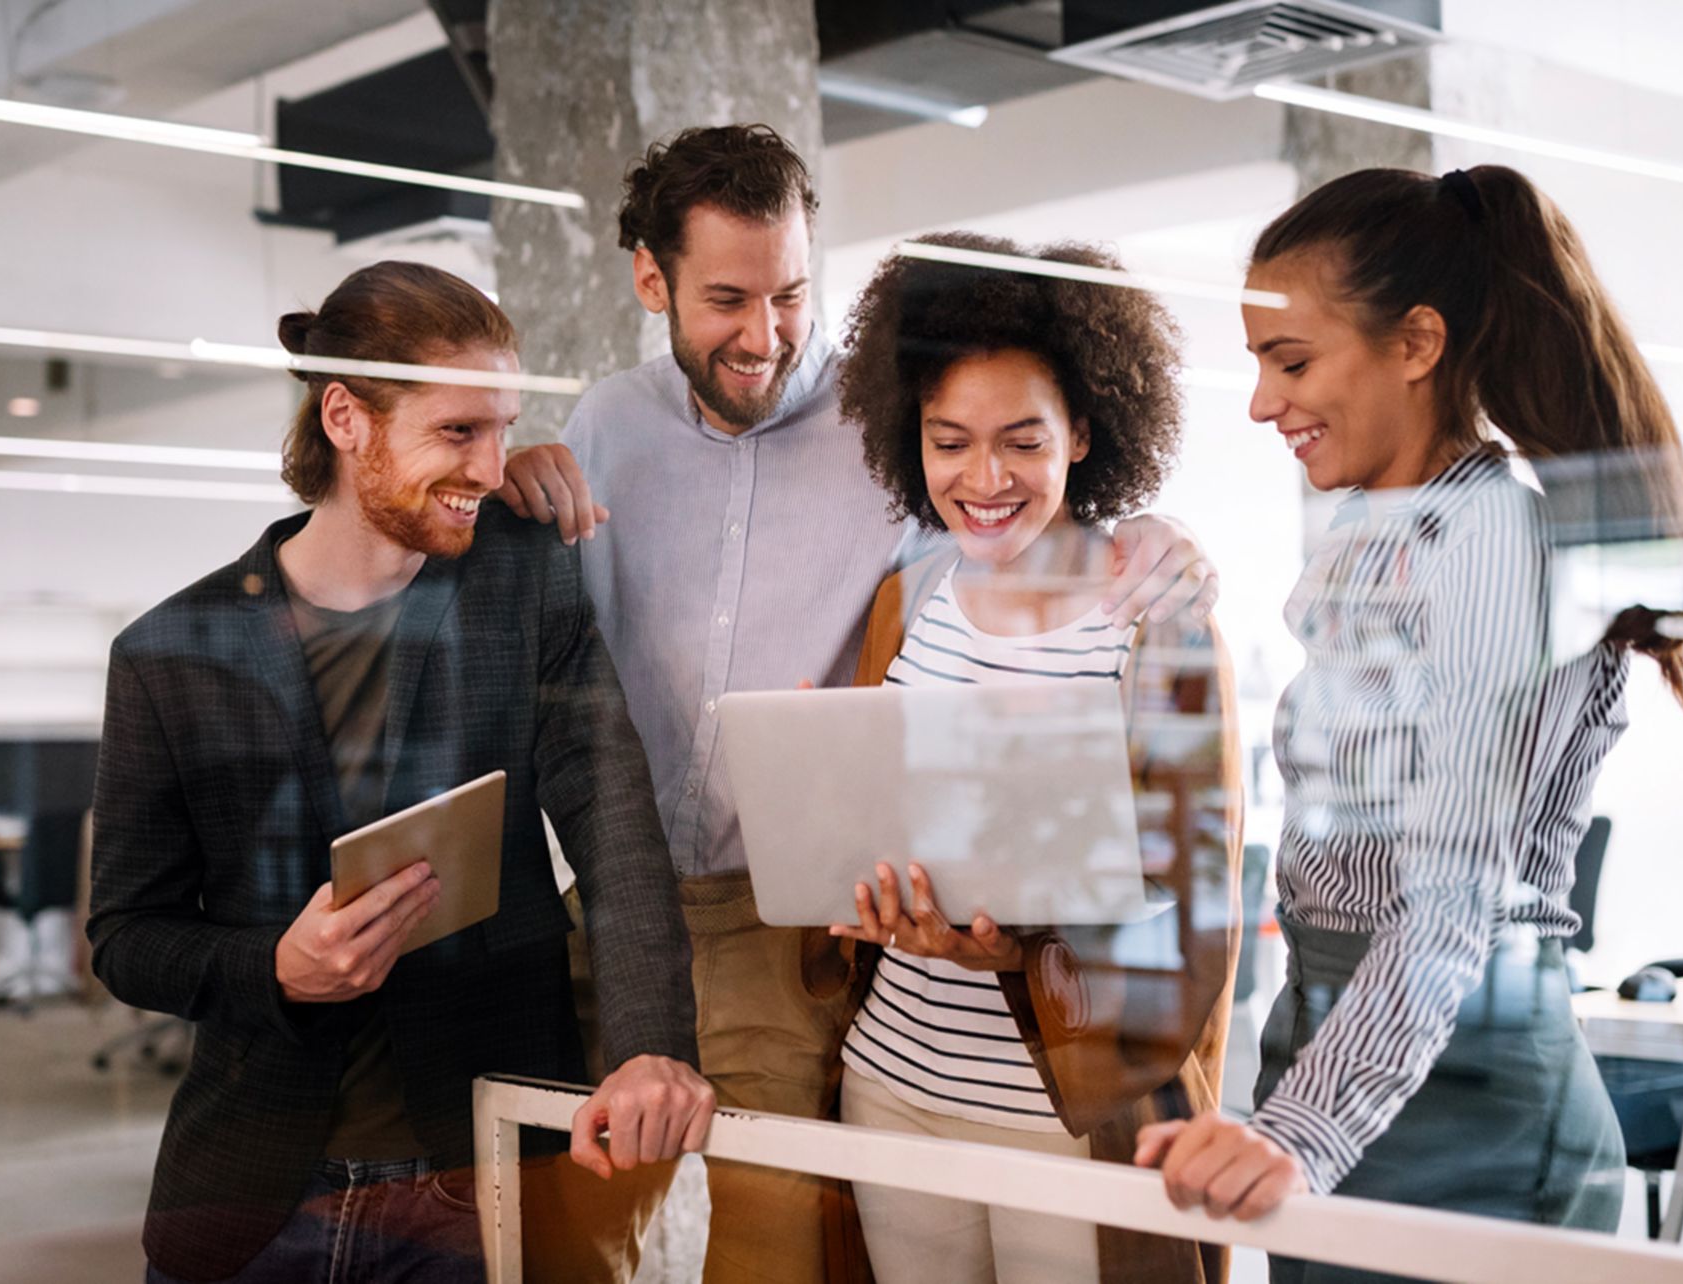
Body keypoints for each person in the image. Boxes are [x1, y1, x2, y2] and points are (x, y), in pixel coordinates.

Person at [491, 124, 1222, 1282]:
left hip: (782, 927)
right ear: (651, 280)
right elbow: (553, 659)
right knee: (571, 1249)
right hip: (615, 898)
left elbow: (1021, 532)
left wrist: (1157, 535)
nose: (766, 334)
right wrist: (507, 481)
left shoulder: (881, 434)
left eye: (790, 294)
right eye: (726, 298)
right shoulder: (604, 428)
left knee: (770, 1258)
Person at [1134, 166, 1683, 1282]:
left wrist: (1294, 1131)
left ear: (1416, 344)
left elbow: (1450, 898)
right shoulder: (1377, 528)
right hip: (1339, 1050)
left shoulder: (1493, 542)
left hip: (1467, 1101)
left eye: (1291, 361)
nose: (1261, 404)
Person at [86, 260, 714, 1284]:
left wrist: (650, 1045)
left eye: (505, 428)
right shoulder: (171, 653)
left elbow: (614, 824)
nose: (490, 464)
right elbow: (126, 938)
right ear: (345, 417)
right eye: (459, 432)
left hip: (487, 1180)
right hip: (258, 1197)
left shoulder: (521, 580)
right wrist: (276, 968)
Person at [826, 232, 1242, 1284]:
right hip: (895, 1088)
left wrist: (1019, 952)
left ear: (1087, 430)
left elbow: (1195, 904)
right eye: (949, 440)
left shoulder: (1163, 624)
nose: (984, 478)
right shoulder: (903, 605)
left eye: (1022, 440)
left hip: (1066, 1113)